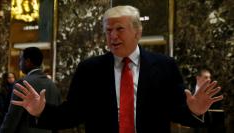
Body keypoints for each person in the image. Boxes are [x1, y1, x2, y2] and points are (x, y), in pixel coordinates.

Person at [11, 6, 223, 133]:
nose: (113, 36)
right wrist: (41, 111)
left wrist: (195, 110)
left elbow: (177, 113)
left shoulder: (165, 66)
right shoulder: (90, 70)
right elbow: (71, 115)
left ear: (138, 32)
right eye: (108, 31)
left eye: (119, 29)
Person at [0, 47, 61, 133]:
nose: (19, 64)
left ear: (27, 61)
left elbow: (13, 117)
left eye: (21, 60)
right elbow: (57, 119)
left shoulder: (23, 83)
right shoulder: (53, 85)